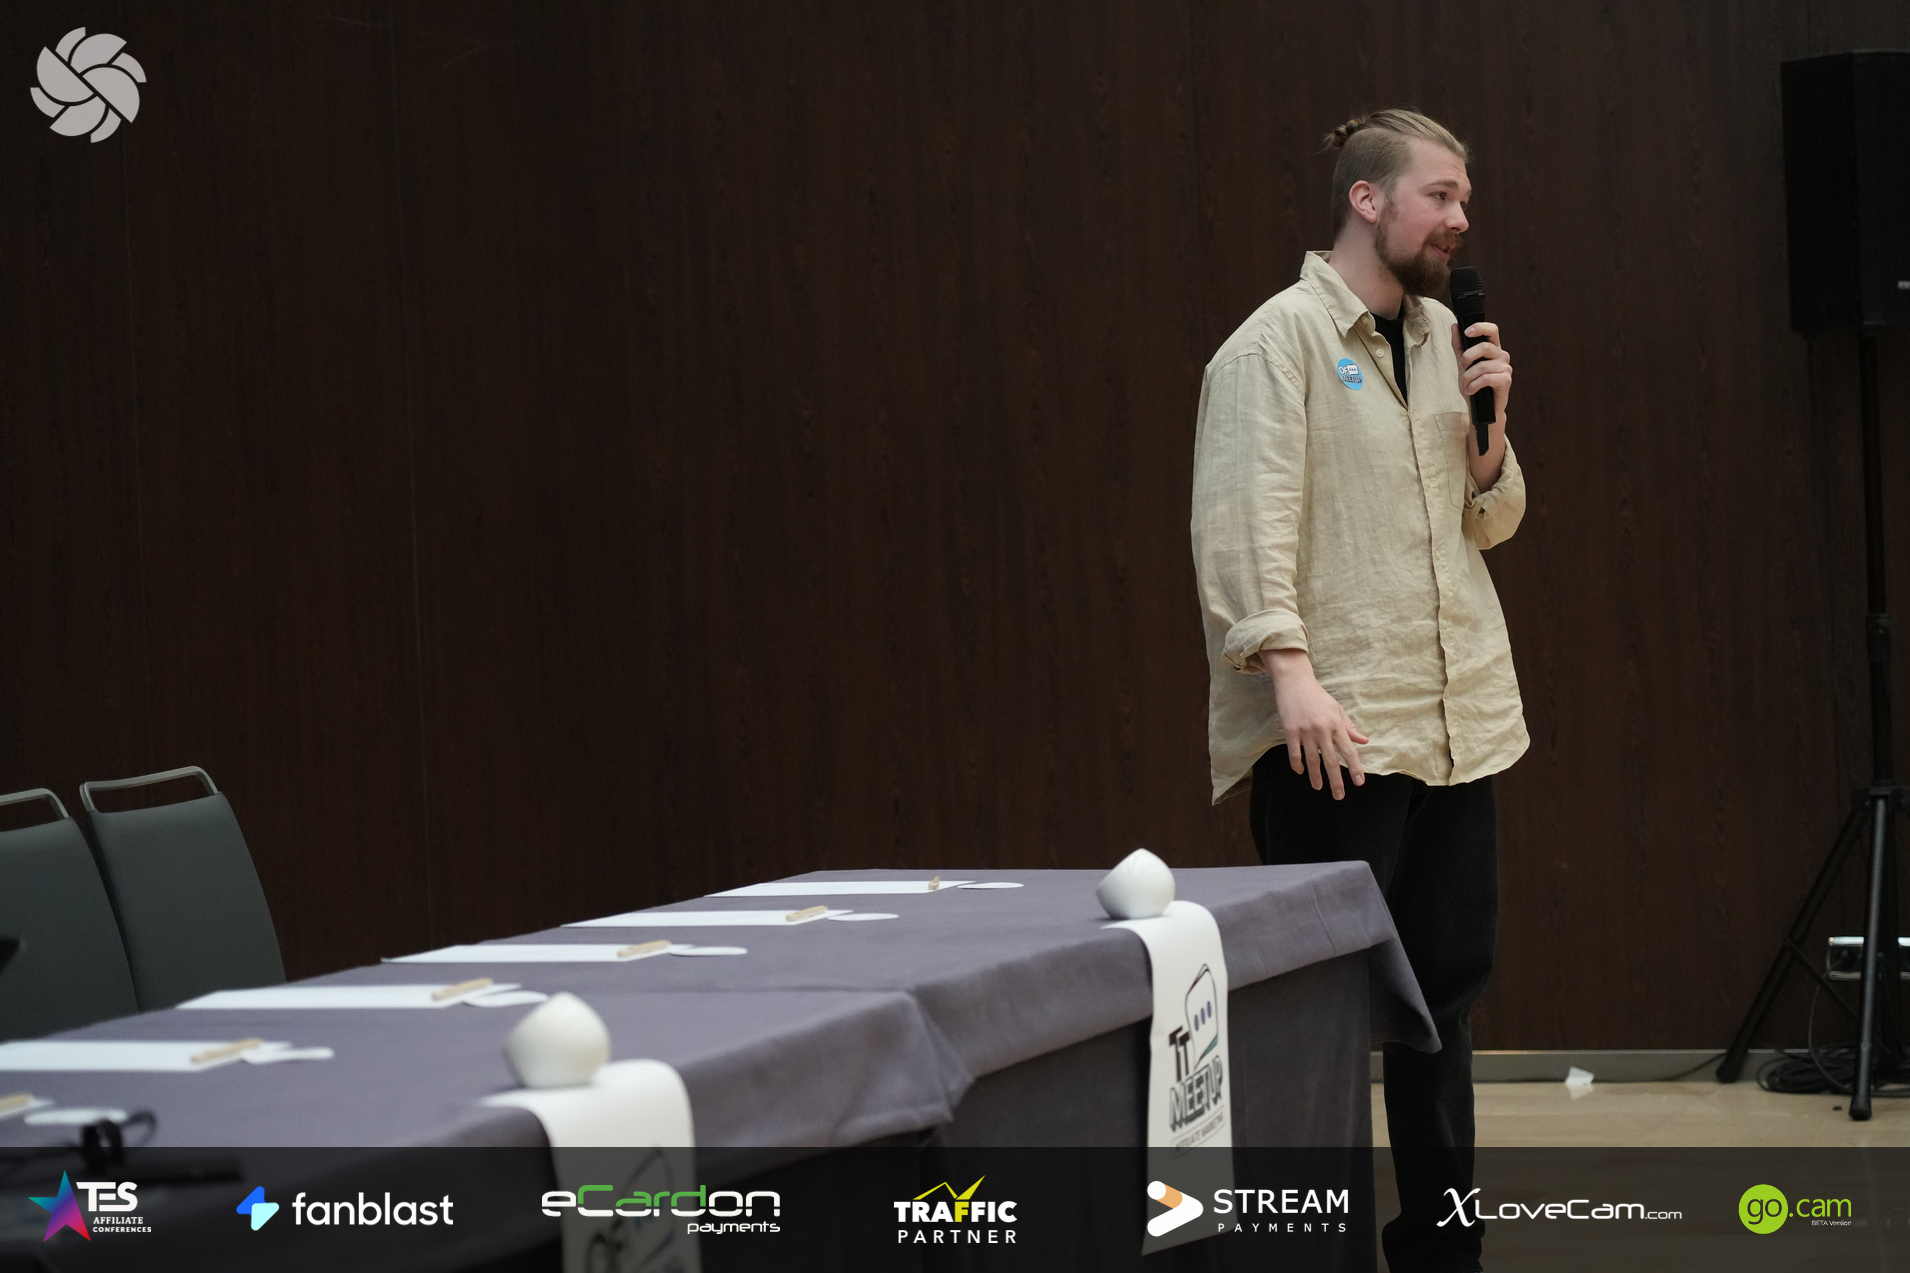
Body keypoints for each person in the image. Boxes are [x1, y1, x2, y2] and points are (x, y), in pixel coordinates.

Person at [1189, 109, 1527, 1273]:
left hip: (1455, 724)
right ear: (1366, 200)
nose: (1459, 218)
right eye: (1440, 194)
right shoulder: (1272, 344)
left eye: (1463, 197)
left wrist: (1490, 438)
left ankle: (1440, 1250)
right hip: (1333, 732)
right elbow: (1242, 522)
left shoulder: (1442, 338)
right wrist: (1288, 675)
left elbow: (1487, 521)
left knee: (1443, 1004)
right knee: (1319, 1014)